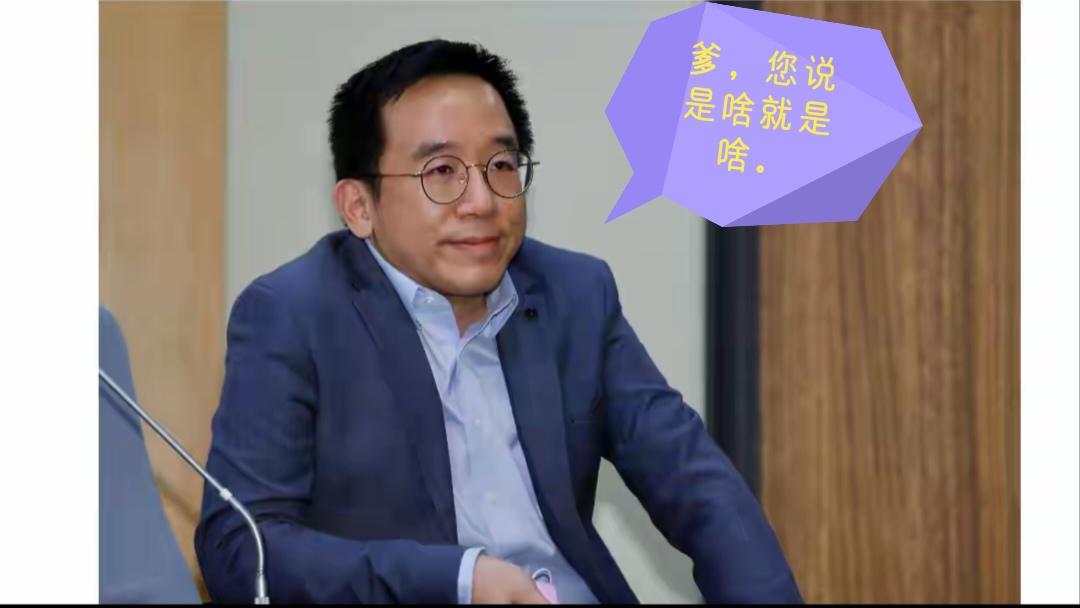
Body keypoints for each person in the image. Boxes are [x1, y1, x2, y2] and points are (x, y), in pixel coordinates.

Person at [195, 39, 801, 605]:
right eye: (441, 171)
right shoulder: (292, 314)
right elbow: (239, 549)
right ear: (359, 207)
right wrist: (460, 580)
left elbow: (699, 489)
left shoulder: (575, 296)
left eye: (502, 165)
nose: (482, 201)